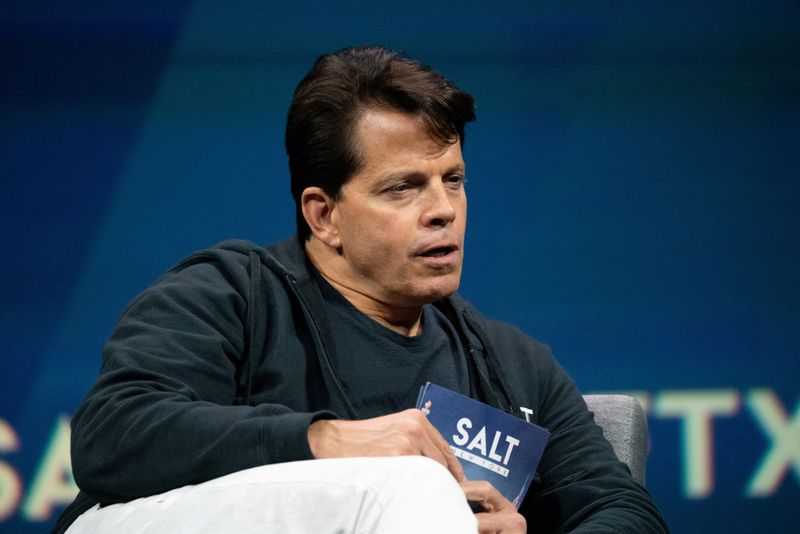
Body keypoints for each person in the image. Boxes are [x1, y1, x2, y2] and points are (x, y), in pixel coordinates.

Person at [54, 46, 668, 533]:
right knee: (414, 486)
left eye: (452, 179)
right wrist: (326, 440)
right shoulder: (234, 294)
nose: (443, 210)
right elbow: (112, 433)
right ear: (323, 216)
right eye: (402, 187)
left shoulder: (509, 364)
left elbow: (623, 510)